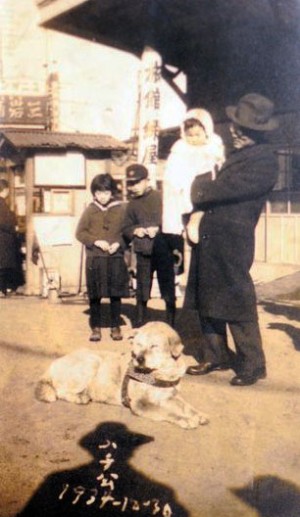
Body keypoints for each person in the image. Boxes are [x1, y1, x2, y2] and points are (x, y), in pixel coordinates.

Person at [185, 93, 279, 386]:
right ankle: (216, 355)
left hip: (232, 239)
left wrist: (201, 187)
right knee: (206, 294)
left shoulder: (264, 161)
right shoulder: (237, 154)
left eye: (241, 128)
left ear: (255, 132)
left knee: (237, 298)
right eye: (235, 126)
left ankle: (252, 364)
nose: (234, 131)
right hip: (210, 234)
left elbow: (216, 191)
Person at [122, 163, 178, 327]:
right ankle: (139, 323)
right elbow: (125, 227)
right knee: (142, 288)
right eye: (130, 183)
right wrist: (135, 230)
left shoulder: (160, 197)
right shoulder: (132, 204)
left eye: (137, 182)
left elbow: (172, 219)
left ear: (147, 180)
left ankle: (171, 324)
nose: (133, 187)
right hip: (143, 251)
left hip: (164, 250)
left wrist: (159, 229)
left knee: (167, 287)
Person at [76, 173, 129, 342]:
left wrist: (119, 244)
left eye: (106, 192)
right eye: (98, 193)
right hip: (95, 259)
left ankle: (115, 326)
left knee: (115, 294)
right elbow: (80, 233)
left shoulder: (121, 210)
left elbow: (127, 233)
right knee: (95, 295)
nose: (102, 197)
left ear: (112, 192)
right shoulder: (90, 210)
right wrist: (96, 241)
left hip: (115, 258)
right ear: (94, 194)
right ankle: (96, 327)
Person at [162, 108, 225, 243]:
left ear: (207, 131)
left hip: (207, 185)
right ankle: (189, 221)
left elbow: (220, 163)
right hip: (187, 185)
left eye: (197, 135)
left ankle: (196, 218)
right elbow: (172, 172)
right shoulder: (180, 148)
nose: (194, 139)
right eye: (189, 135)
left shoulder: (213, 145)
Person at [0, 179, 24, 296]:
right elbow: (4, 222)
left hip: (3, 238)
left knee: (3, 265)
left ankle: (4, 288)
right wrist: (14, 227)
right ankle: (2, 289)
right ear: (5, 190)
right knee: (3, 266)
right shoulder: (1, 203)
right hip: (4, 239)